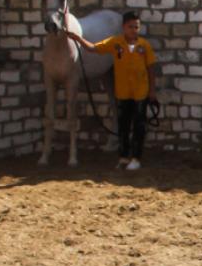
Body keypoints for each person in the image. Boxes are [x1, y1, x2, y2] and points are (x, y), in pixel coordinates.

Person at [67, 11, 157, 170]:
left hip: (140, 92)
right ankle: (123, 157)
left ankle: (136, 158)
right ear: (123, 28)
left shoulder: (144, 46)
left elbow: (150, 68)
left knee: (138, 126)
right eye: (130, 27)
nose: (133, 30)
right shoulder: (115, 43)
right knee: (123, 126)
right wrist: (78, 39)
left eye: (136, 27)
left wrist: (152, 91)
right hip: (123, 92)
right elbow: (94, 48)